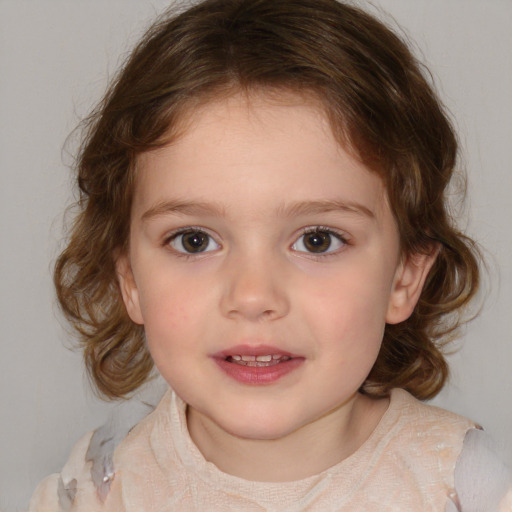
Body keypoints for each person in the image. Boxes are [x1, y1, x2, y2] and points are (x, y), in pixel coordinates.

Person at [29, 0, 511, 510]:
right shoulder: (98, 488)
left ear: (403, 278)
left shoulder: (468, 488)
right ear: (129, 278)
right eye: (194, 240)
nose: (253, 296)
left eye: (317, 240)